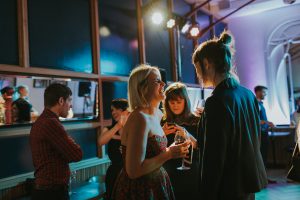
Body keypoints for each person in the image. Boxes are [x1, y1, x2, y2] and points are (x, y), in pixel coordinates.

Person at [192, 31, 267, 200]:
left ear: (207, 63)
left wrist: (206, 194)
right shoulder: (247, 94)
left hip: (227, 187)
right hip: (247, 182)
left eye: (197, 68)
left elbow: (214, 157)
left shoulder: (216, 101)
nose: (198, 74)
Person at [112, 64, 190, 200]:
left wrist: (165, 141)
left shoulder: (157, 114)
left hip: (155, 183)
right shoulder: (139, 118)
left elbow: (148, 146)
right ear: (142, 88)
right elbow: (134, 171)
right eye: (157, 81)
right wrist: (170, 153)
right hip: (141, 189)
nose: (163, 83)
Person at [30, 83, 83, 200]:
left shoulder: (41, 121)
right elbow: (77, 154)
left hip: (44, 190)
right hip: (52, 193)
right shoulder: (51, 123)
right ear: (61, 101)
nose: (70, 105)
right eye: (69, 100)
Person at [161, 82, 199, 199]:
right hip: (169, 171)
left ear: (185, 101)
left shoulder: (196, 120)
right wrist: (161, 133)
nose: (175, 105)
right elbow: (156, 149)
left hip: (191, 172)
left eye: (179, 102)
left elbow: (201, 147)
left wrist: (187, 135)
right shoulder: (163, 122)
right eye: (172, 102)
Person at [98, 98, 129, 199]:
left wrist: (117, 136)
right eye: (112, 110)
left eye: (117, 109)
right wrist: (118, 125)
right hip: (114, 173)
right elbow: (101, 141)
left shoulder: (133, 129)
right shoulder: (109, 129)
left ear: (125, 111)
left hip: (131, 172)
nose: (114, 112)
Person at [254, 86, 275, 166]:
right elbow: (254, 119)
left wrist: (267, 123)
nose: (265, 94)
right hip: (260, 132)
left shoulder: (260, 104)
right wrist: (266, 122)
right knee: (262, 153)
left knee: (264, 152)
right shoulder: (256, 104)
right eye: (264, 92)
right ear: (258, 92)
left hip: (263, 131)